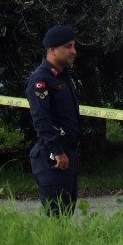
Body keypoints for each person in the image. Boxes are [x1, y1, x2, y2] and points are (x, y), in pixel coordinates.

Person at [26, 24, 82, 215]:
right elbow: (41, 120)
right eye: (68, 46)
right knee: (56, 216)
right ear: (52, 50)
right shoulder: (41, 80)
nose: (73, 51)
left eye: (74, 46)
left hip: (68, 155)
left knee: (66, 213)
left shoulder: (64, 77)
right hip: (53, 158)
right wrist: (57, 151)